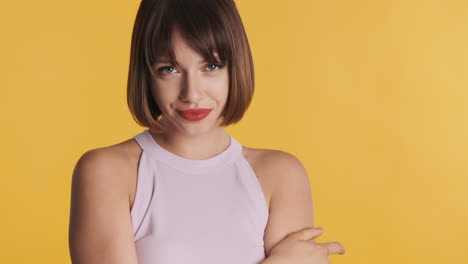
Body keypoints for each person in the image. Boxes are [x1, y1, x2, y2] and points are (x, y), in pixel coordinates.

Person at [68, 0, 345, 263]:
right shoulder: (107, 172)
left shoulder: (281, 176)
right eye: (169, 69)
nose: (192, 94)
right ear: (146, 76)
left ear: (235, 68)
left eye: (211, 66)